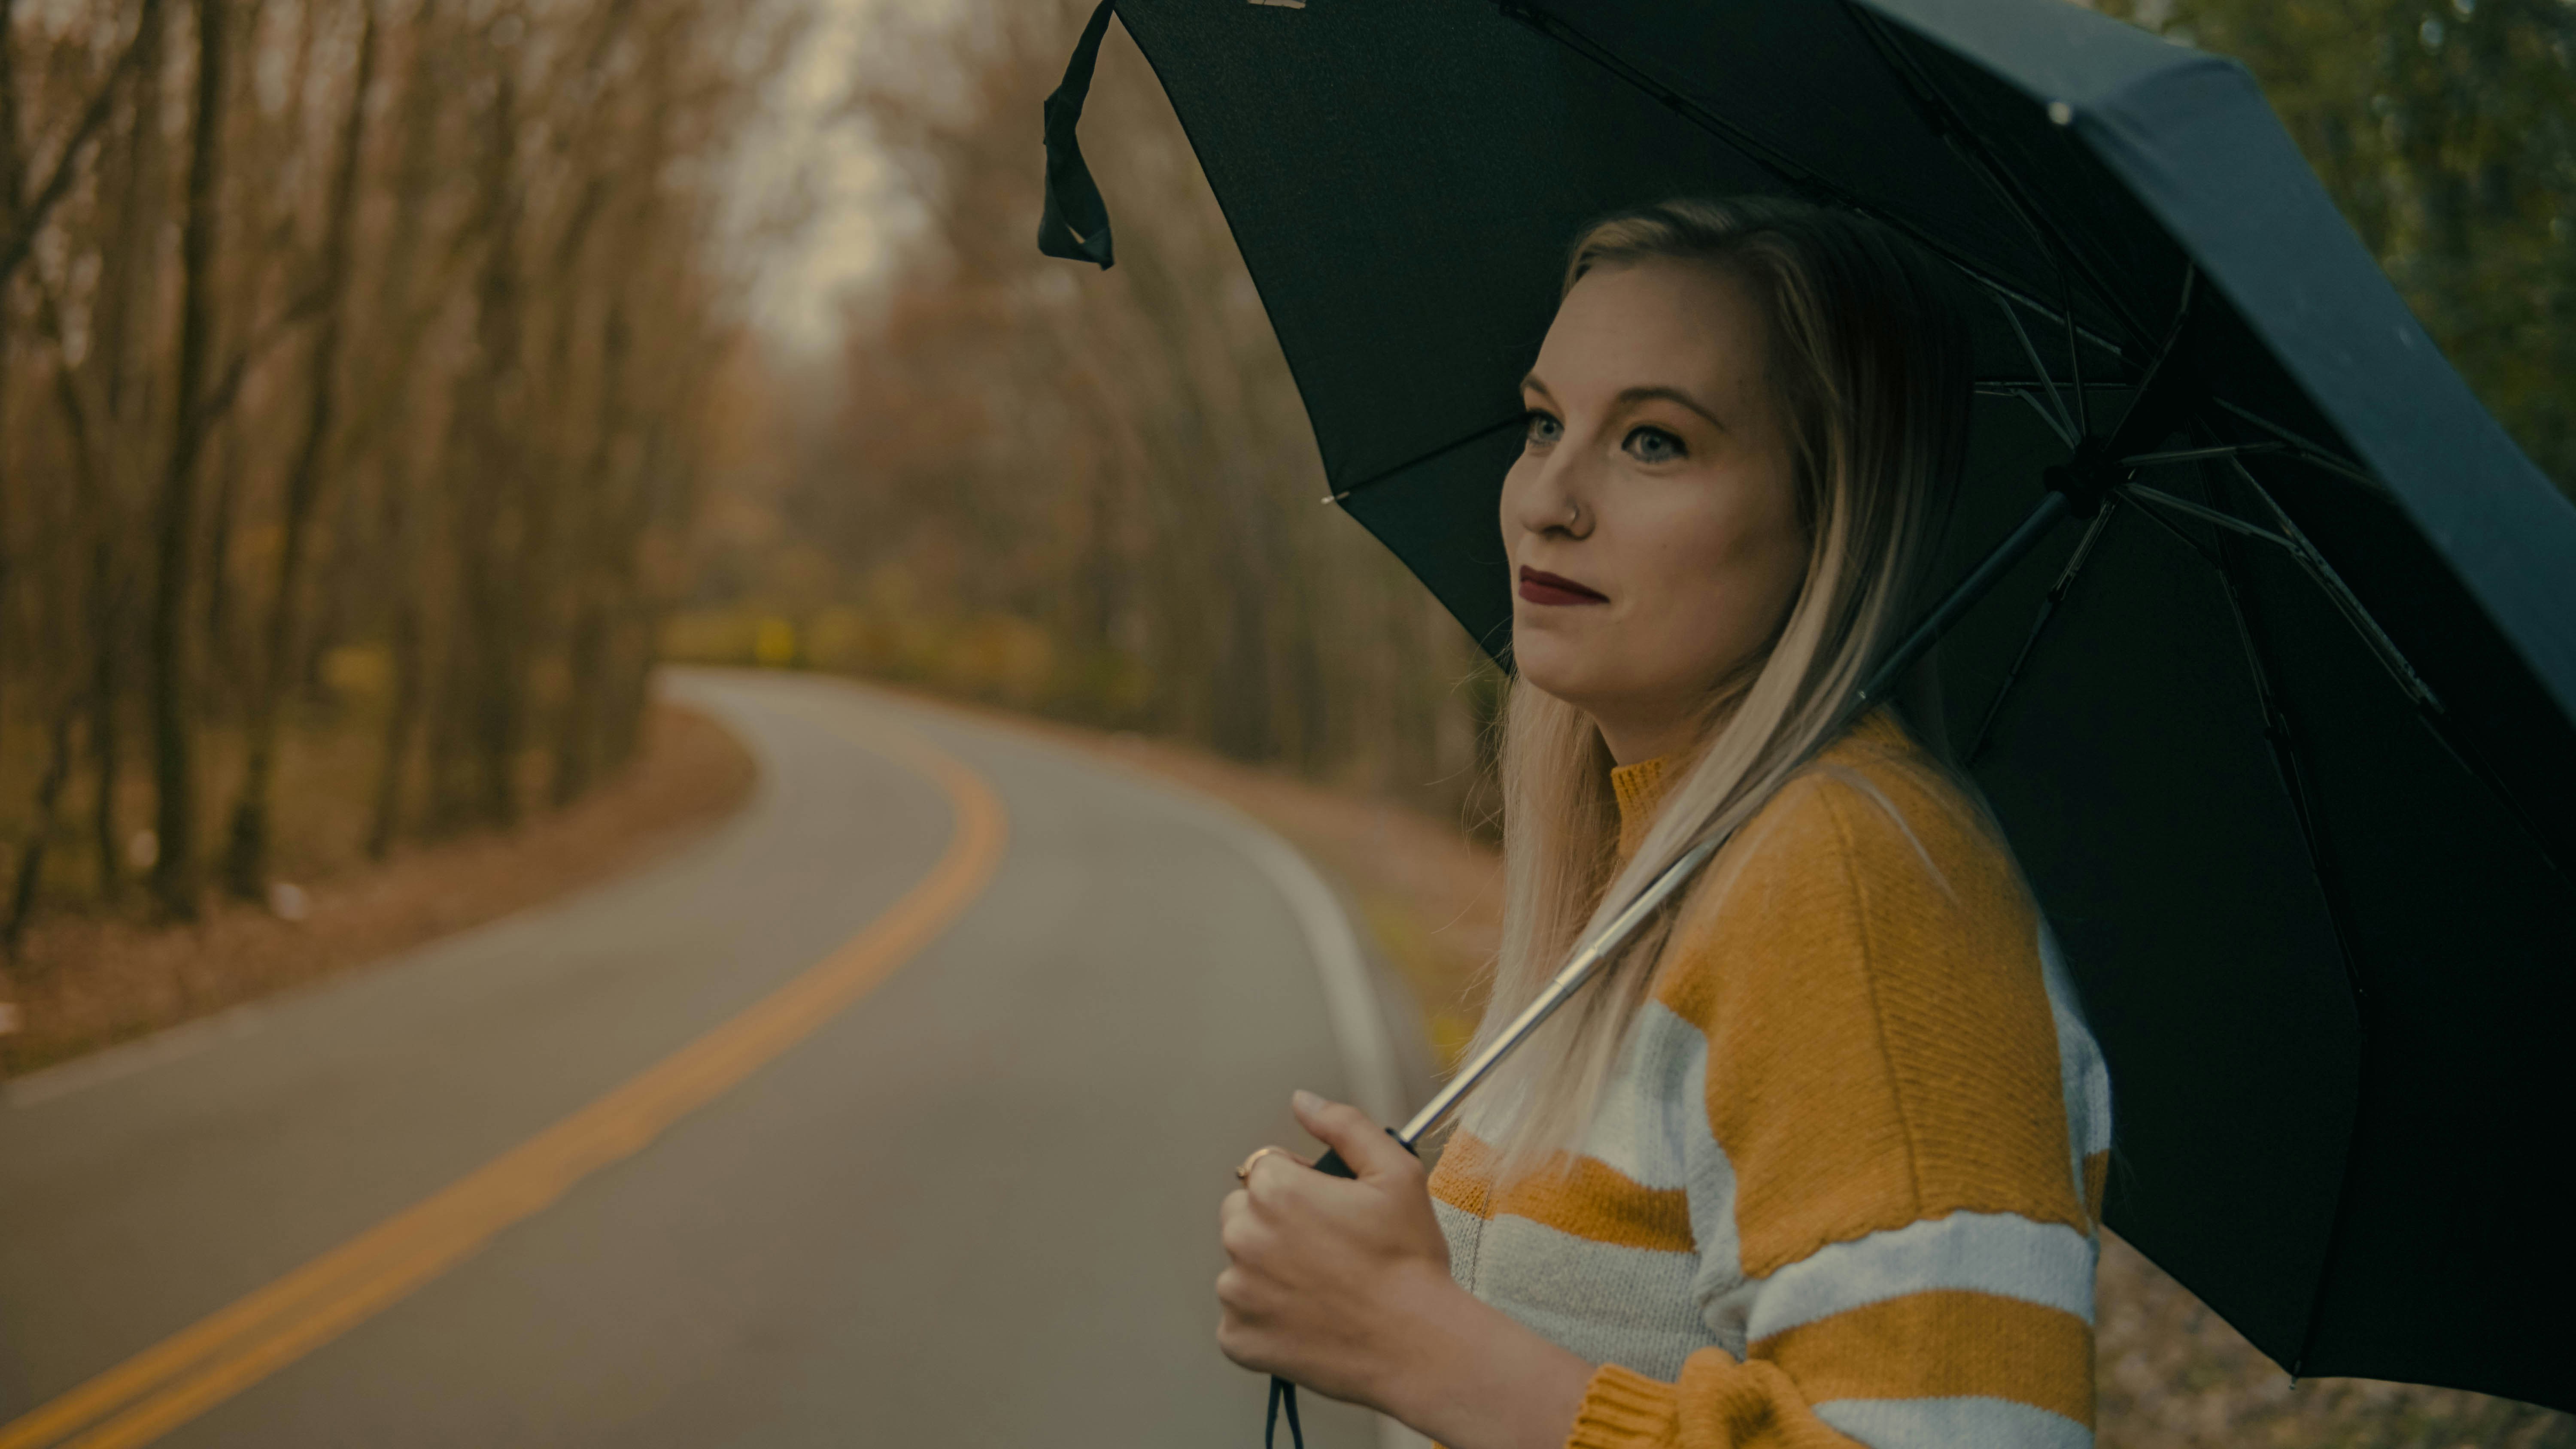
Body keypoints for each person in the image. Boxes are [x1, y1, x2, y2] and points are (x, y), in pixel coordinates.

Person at [1214, 197, 2114, 1449]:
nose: (1546, 500)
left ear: (1826, 515)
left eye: (1654, 443)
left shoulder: (1851, 879)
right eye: (1543, 424)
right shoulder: (1670, 875)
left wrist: (1422, 1344)